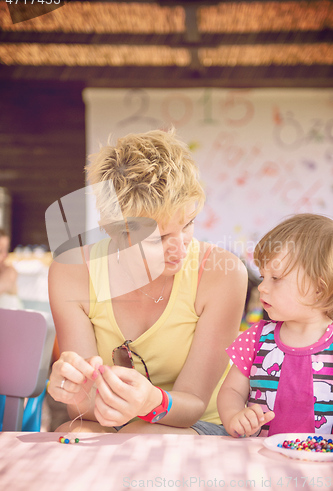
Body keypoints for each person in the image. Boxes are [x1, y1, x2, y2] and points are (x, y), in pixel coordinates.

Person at [47, 128, 248, 434]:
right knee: (71, 435)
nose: (180, 248)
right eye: (158, 239)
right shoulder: (72, 271)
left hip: (199, 424)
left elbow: (193, 404)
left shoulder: (222, 274)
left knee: (143, 437)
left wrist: (149, 401)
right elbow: (84, 411)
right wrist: (75, 391)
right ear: (115, 231)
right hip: (113, 423)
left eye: (188, 224)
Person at [217, 213, 333, 438]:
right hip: (259, 457)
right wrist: (234, 416)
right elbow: (231, 390)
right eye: (262, 276)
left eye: (276, 278)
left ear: (319, 288)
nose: (262, 287)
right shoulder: (256, 337)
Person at [0, 228, 22, 309]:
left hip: (14, 320)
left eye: (7, 250)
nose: (6, 255)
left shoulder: (10, 272)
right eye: (0, 251)